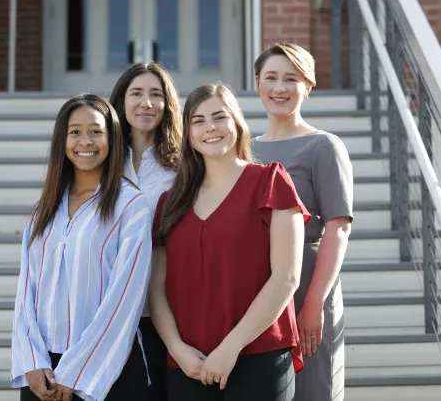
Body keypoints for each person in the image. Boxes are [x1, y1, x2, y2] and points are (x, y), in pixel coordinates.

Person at [149, 83, 311, 401]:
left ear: (236, 122)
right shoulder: (170, 202)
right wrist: (176, 349)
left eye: (219, 117)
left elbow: (286, 278)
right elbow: (155, 289)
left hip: (259, 355)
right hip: (188, 363)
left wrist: (230, 347)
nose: (210, 127)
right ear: (188, 134)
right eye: (198, 120)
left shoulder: (270, 181)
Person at [10, 93, 152, 401]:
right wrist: (31, 361)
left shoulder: (131, 205)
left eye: (96, 131)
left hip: (107, 371)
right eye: (75, 132)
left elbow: (125, 298)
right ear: (62, 140)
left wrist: (78, 369)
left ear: (112, 139)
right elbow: (26, 292)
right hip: (43, 373)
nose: (84, 141)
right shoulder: (44, 210)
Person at [251, 42, 354, 401]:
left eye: (291, 79)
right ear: (257, 82)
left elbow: (338, 227)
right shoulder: (244, 151)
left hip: (307, 288)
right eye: (272, 78)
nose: (280, 88)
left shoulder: (323, 146)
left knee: (313, 391)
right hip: (254, 294)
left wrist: (313, 303)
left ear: (308, 86)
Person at [109, 62, 182, 401]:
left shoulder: (184, 166)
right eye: (136, 94)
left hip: (163, 313)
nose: (146, 104)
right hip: (108, 312)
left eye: (156, 95)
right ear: (121, 101)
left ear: (168, 105)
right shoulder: (101, 161)